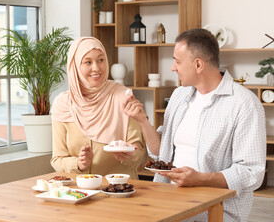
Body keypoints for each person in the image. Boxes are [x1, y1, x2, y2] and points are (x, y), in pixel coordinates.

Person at [123, 28, 266, 221]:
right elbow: (160, 153)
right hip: (166, 199)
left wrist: (200, 179)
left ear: (198, 64)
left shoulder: (244, 104)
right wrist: (142, 120)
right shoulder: (179, 95)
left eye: (177, 61)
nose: (173, 67)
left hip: (215, 208)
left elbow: (252, 173)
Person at [51, 37, 147, 179]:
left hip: (120, 190)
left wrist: (130, 155)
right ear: (76, 66)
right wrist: (79, 163)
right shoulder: (63, 104)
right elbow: (57, 159)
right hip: (80, 191)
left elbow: (142, 155)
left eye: (101, 60)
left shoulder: (123, 97)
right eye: (88, 62)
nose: (96, 68)